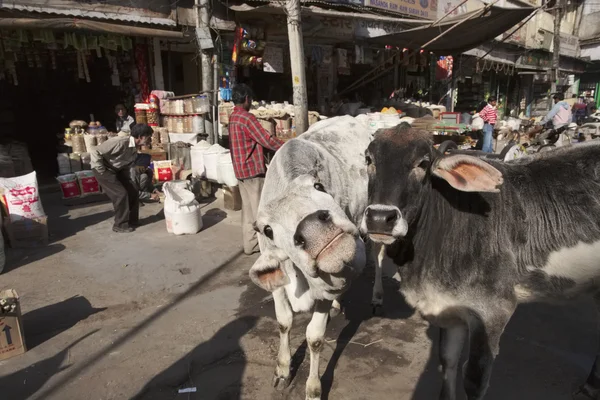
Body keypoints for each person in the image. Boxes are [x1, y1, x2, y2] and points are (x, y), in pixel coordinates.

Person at [228, 83, 285, 255]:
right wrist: (287, 146)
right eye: (250, 99)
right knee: (261, 212)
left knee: (248, 211)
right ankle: (266, 248)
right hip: (252, 170)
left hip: (240, 170)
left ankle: (250, 245)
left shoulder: (233, 117)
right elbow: (266, 139)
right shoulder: (247, 118)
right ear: (246, 99)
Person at [91, 124, 153, 233]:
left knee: (133, 190)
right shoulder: (120, 141)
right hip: (104, 169)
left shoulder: (135, 148)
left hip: (118, 169)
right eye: (148, 136)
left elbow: (127, 165)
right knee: (120, 194)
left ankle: (133, 221)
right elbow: (95, 151)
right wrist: (101, 169)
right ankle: (120, 225)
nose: (150, 140)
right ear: (140, 136)